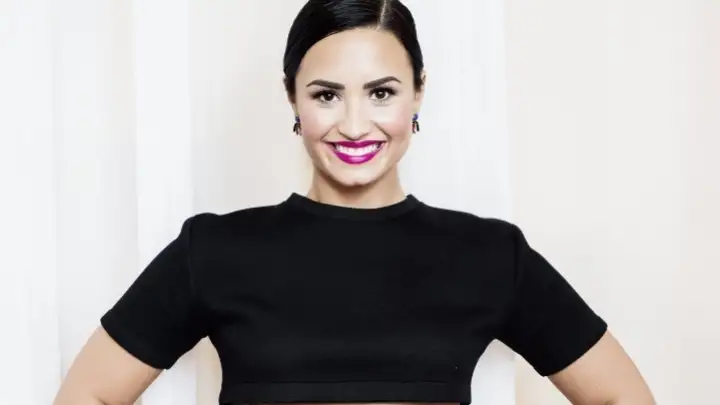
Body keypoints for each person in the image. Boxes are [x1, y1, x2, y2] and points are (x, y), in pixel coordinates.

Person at [54, 1, 655, 404]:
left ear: (419, 92)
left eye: (381, 93)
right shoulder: (213, 251)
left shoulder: (491, 254)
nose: (354, 124)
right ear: (292, 98)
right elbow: (89, 394)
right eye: (326, 95)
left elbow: (621, 395)